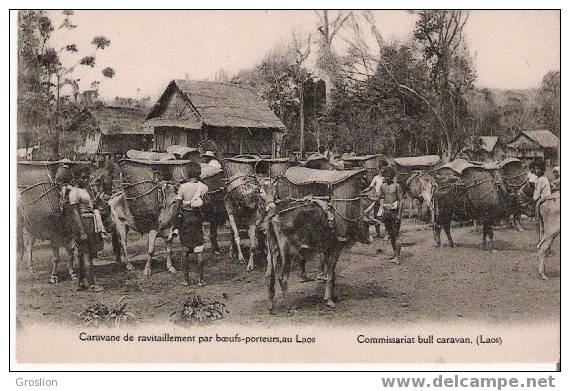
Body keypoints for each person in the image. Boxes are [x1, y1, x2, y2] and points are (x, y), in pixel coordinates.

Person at [69, 167, 104, 292]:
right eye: (83, 177)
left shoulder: (84, 190)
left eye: (87, 177)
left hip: (89, 222)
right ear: (76, 178)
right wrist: (82, 231)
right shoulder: (74, 192)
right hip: (83, 223)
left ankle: (81, 283)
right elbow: (76, 213)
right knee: (86, 255)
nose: (86, 180)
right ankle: (92, 285)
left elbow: (89, 206)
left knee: (84, 254)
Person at [176, 163, 209, 286]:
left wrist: (175, 221)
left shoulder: (183, 188)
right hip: (197, 219)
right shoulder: (204, 187)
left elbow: (177, 206)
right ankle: (200, 280)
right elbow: (204, 203)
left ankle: (186, 280)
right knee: (199, 250)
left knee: (184, 250)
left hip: (185, 219)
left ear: (188, 173)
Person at [376, 166, 404, 264]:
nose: (387, 178)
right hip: (386, 213)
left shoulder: (397, 186)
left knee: (396, 235)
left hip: (395, 213)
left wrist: (399, 215)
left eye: (388, 176)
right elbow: (378, 197)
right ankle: (395, 254)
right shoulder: (382, 186)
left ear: (392, 176)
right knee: (391, 235)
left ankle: (398, 257)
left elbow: (401, 201)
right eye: (385, 176)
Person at [533, 162, 552, 239]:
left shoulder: (540, 180)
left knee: (539, 222)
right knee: (546, 224)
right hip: (548, 199)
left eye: (538, 169)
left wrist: (533, 199)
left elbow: (536, 195)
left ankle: (541, 239)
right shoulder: (545, 178)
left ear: (542, 171)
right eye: (536, 169)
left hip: (542, 200)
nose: (536, 171)